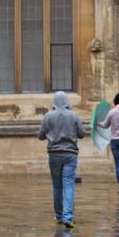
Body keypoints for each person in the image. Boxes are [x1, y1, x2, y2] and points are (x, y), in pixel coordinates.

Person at [38, 91, 85, 229]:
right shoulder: (74, 115)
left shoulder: (48, 116)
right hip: (70, 155)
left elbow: (40, 135)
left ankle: (58, 215)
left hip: (54, 155)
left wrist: (50, 134)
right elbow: (82, 133)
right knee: (69, 185)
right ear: (66, 101)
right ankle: (68, 217)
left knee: (57, 186)